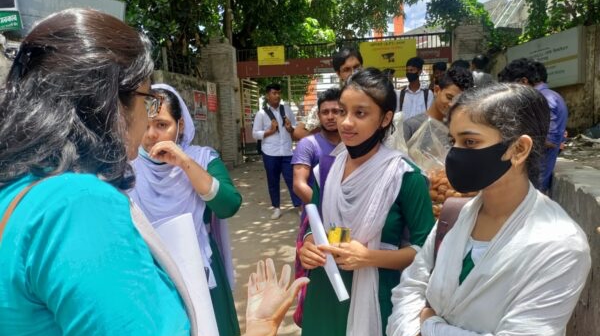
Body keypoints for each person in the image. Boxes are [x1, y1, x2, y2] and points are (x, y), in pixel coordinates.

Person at [0, 8, 309, 336]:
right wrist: (261, 327)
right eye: (146, 102)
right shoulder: (80, 206)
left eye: (162, 122)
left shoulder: (20, 188)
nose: (149, 126)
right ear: (108, 101)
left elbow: (228, 202)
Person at [386, 83, 590, 336]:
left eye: (470, 142)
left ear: (518, 149)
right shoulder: (454, 218)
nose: (455, 154)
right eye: (453, 141)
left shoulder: (559, 245)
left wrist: (429, 327)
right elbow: (411, 287)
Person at [298, 68, 436, 336]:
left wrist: (370, 257)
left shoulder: (404, 177)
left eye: (360, 113)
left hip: (378, 295)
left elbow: (427, 252)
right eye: (342, 111)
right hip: (325, 293)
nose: (346, 123)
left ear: (385, 119)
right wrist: (308, 244)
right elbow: (313, 227)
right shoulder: (325, 170)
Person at [129, 83, 242, 336]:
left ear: (180, 125)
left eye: (161, 125)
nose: (151, 135)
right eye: (145, 125)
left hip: (198, 265)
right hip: (149, 270)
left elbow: (228, 204)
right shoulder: (127, 166)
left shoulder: (202, 158)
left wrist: (183, 162)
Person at [498, 58, 568, 192]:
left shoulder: (543, 98)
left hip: (534, 176)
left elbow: (549, 140)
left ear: (524, 81)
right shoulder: (548, 97)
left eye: (513, 88)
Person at [252, 83, 301, 219]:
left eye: (279, 93)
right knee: (273, 181)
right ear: (267, 96)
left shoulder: (287, 110)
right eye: (274, 93)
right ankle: (276, 208)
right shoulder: (261, 114)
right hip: (270, 152)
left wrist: (290, 128)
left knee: (292, 180)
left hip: (286, 151)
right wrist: (270, 131)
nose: (277, 96)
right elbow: (255, 134)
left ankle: (298, 206)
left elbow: (294, 129)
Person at [294, 47, 363, 139]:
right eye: (346, 70)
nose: (353, 73)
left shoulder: (376, 94)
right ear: (339, 74)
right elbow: (299, 132)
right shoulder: (334, 99)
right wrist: (334, 140)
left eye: (356, 67)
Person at [403, 66, 474, 142]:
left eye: (458, 101)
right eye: (449, 97)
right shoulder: (412, 126)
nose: (452, 104)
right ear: (437, 90)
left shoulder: (459, 128)